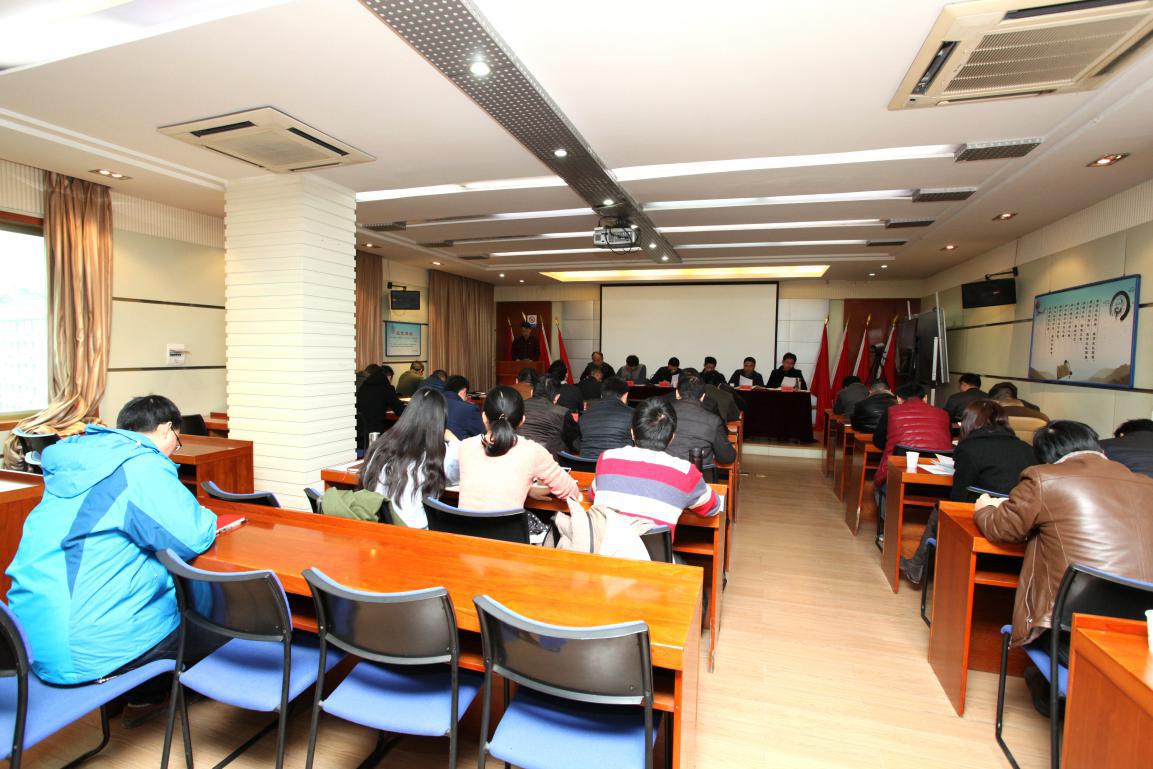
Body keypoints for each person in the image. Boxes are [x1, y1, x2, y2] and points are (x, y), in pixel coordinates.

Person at [6, 396, 217, 703]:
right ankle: (145, 696)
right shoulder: (141, 465)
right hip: (93, 651)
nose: (175, 447)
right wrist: (207, 513)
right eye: (177, 439)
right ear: (166, 429)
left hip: (29, 643)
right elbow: (191, 537)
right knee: (215, 625)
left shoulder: (78, 459)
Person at [974, 420, 1153, 715]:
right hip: (1140, 635)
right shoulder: (1146, 483)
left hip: (1071, 633)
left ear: (1045, 456)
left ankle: (1050, 695)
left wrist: (985, 509)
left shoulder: (1043, 479)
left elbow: (1003, 528)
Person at [900, 400, 1035, 584]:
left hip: (983, 515)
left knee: (941, 508)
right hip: (1019, 521)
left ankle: (916, 568)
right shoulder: (1027, 449)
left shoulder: (970, 448)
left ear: (969, 421)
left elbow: (959, 496)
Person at [590, 398, 722, 538]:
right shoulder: (684, 472)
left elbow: (593, 494)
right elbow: (713, 507)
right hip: (651, 553)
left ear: (632, 432)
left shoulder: (607, 458)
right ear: (672, 437)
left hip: (603, 548)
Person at [457, 386, 580, 511]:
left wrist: (527, 489)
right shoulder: (532, 451)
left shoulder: (465, 447)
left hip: (463, 524)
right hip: (510, 525)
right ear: (522, 420)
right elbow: (572, 493)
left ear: (484, 417)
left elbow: (490, 482)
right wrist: (528, 488)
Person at [360, 387, 459, 528]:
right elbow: (458, 473)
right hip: (416, 532)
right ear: (439, 421)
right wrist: (453, 440)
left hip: (379, 529)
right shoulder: (437, 454)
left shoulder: (381, 446)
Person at [872, 382, 952, 545]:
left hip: (900, 481)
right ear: (926, 398)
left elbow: (878, 440)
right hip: (939, 482)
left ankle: (887, 530)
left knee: (879, 486)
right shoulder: (943, 414)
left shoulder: (891, 412)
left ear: (899, 399)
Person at [667, 375, 737, 466]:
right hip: (698, 472)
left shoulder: (662, 413)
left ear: (677, 393)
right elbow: (727, 458)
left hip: (663, 470)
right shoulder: (712, 420)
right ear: (703, 397)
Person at [577, 376, 634, 459]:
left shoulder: (584, 415)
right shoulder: (632, 414)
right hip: (618, 464)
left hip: (587, 464)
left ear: (601, 395)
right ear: (626, 395)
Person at [517, 376, 569, 457]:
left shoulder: (517, 407)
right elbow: (574, 442)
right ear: (557, 397)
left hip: (519, 456)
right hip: (550, 459)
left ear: (531, 392)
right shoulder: (562, 412)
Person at [356, 364, 405, 442]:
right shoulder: (386, 387)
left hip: (359, 431)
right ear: (389, 377)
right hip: (375, 433)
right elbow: (400, 410)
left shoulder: (364, 386)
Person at [443, 374, 484, 439]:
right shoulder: (469, 409)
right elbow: (481, 436)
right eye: (466, 395)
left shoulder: (432, 402)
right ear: (463, 391)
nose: (466, 398)